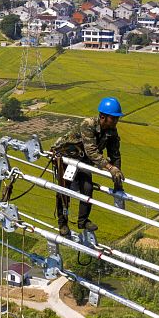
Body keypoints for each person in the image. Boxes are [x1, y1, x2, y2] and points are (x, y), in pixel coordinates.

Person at [52, 96, 123, 238]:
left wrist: (117, 179)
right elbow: (91, 151)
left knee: (87, 188)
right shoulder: (88, 125)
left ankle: (82, 221)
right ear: (102, 117)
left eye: (117, 118)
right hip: (67, 157)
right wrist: (110, 168)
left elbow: (115, 154)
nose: (116, 121)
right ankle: (62, 223)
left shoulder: (111, 131)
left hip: (83, 160)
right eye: (113, 118)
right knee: (64, 189)